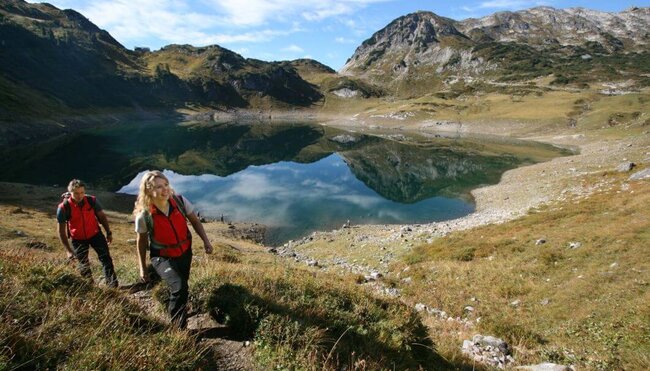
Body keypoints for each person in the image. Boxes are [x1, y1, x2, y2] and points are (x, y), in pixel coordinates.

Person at [133, 170, 213, 328]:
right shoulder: (144, 216)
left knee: (183, 285)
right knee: (179, 287)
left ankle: (177, 309)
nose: (165, 190)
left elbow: (195, 222)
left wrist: (206, 241)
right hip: (162, 256)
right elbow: (141, 242)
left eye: (166, 185)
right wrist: (143, 268)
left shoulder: (180, 201)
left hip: (184, 252)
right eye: (158, 187)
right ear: (148, 190)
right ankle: (178, 328)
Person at [57, 179, 118, 287]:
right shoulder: (64, 207)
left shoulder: (91, 201)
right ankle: (90, 287)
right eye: (76, 193)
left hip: (95, 234)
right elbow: (61, 231)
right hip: (77, 238)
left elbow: (102, 217)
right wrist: (68, 251)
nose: (80, 196)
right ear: (70, 192)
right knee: (83, 264)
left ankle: (113, 286)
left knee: (106, 259)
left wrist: (108, 232)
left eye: (82, 192)